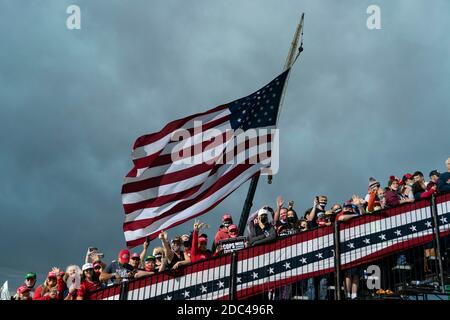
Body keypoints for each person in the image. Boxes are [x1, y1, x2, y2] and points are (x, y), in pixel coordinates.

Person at [336, 202, 361, 299]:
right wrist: (355, 215)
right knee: (347, 274)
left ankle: (354, 295)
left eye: (350, 207)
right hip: (345, 248)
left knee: (356, 274)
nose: (348, 209)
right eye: (346, 207)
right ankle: (347, 295)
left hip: (357, 247)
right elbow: (342, 219)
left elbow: (363, 215)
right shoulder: (341, 215)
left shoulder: (355, 214)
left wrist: (358, 206)